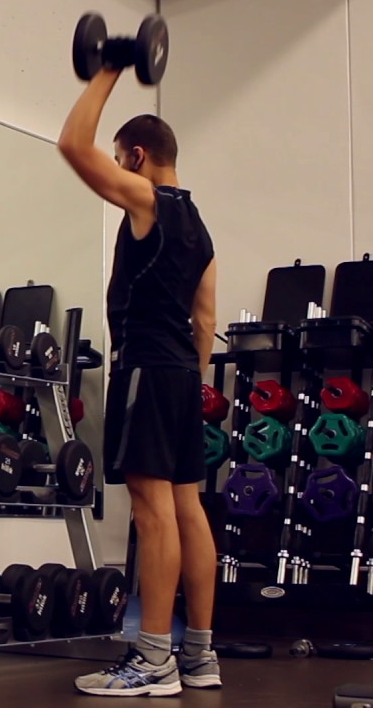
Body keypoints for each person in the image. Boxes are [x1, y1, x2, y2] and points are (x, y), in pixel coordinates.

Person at [57, 64, 220, 696]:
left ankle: (154, 660)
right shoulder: (202, 231)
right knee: (188, 511)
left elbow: (73, 145)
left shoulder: (150, 202)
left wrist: (108, 70)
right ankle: (200, 656)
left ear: (138, 155)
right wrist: (189, 384)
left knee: (152, 516)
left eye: (124, 159)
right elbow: (205, 320)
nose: (120, 169)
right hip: (181, 375)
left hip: (148, 371)